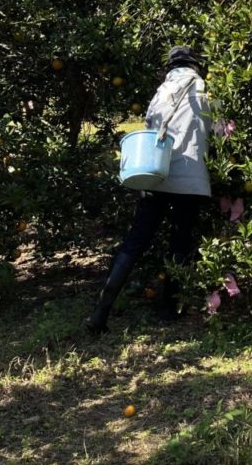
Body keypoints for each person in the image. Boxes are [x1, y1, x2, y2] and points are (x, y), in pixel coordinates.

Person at [86, 45, 212, 333]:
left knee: (135, 241)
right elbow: (217, 132)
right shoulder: (203, 91)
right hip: (190, 180)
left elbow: (150, 129)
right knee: (179, 243)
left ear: (170, 67)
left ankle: (100, 313)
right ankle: (168, 309)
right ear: (195, 65)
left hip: (155, 175)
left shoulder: (160, 93)